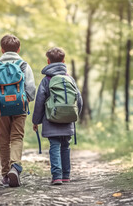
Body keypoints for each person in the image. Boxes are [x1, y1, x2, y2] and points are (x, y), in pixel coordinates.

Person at [0, 34, 36, 187]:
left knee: (4, 141)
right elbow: (31, 88)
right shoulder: (24, 65)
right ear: (19, 49)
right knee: (17, 137)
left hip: (1, 108)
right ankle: (15, 166)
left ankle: (6, 174)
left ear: (2, 49)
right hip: (20, 107)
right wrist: (24, 100)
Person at [32, 47, 82, 185]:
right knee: (65, 146)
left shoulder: (46, 80)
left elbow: (39, 101)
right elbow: (79, 99)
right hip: (68, 120)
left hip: (51, 120)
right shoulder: (69, 78)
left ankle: (57, 176)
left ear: (48, 61)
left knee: (54, 146)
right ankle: (66, 175)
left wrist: (36, 121)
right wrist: (74, 115)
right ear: (64, 61)